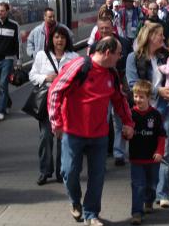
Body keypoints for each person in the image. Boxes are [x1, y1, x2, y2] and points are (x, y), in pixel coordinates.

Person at [48, 36, 134, 226]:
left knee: (97, 176)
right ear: (107, 53)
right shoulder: (78, 66)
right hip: (72, 132)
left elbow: (120, 100)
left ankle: (91, 213)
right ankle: (75, 201)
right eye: (118, 54)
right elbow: (55, 91)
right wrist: (56, 123)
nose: (120, 58)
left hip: (99, 135)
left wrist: (129, 123)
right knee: (69, 172)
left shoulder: (111, 74)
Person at [126, 22, 169, 208]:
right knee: (146, 151)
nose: (163, 39)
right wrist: (159, 92)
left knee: (164, 150)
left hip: (168, 108)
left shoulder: (168, 57)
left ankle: (162, 193)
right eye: (160, 35)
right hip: (144, 112)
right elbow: (134, 84)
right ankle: (149, 191)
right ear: (150, 37)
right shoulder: (133, 58)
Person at [29, 25, 78, 186]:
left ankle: (61, 172)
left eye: (62, 37)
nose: (59, 40)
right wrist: (46, 78)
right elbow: (32, 75)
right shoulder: (42, 56)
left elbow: (79, 79)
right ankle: (45, 171)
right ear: (51, 39)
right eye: (56, 37)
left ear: (67, 40)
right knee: (45, 137)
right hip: (47, 103)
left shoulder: (73, 57)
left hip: (66, 103)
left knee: (62, 139)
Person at [88, 17, 132, 166]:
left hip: (120, 87)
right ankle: (102, 152)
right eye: (102, 29)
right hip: (104, 91)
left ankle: (119, 153)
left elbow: (130, 63)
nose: (105, 31)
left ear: (113, 28)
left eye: (107, 28)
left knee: (119, 122)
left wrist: (125, 87)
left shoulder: (125, 43)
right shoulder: (95, 46)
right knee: (104, 121)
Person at [129, 80, 166, 225]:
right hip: (136, 158)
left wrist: (159, 151)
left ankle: (149, 201)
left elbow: (162, 135)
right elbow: (126, 133)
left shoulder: (155, 115)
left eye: (141, 97)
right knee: (138, 185)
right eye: (136, 96)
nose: (138, 99)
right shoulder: (130, 114)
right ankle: (136, 212)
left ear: (149, 98)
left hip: (152, 159)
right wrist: (127, 134)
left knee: (152, 183)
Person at [0, 2, 22, 121]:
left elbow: (18, 43)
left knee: (2, 84)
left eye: (2, 10)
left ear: (7, 12)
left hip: (8, 59)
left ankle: (0, 111)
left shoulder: (14, 25)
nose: (0, 13)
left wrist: (19, 60)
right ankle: (7, 101)